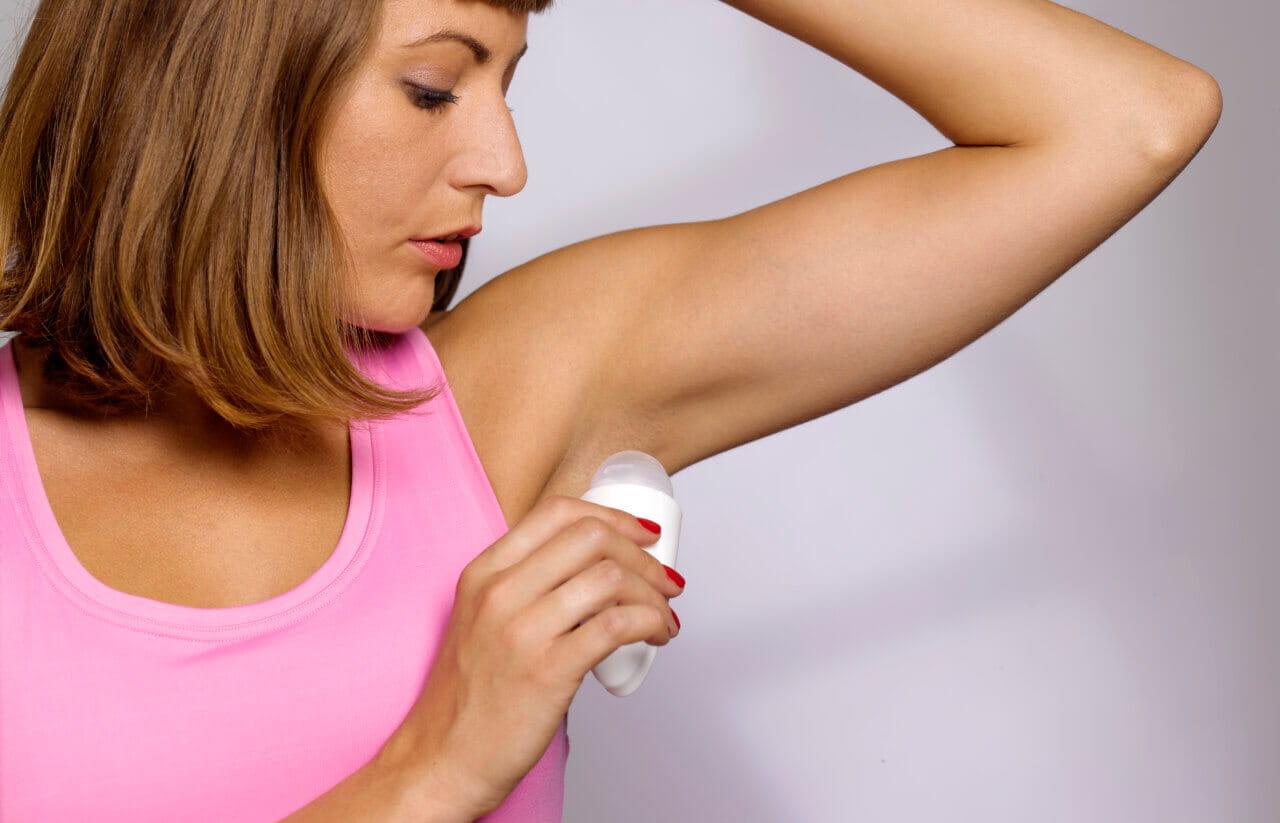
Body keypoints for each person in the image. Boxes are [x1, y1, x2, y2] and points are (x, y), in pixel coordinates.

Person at [0, 0, 1220, 820]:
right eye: (434, 89)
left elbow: (1125, 120)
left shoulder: (502, 399)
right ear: (216, 85)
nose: (504, 162)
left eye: (506, 84)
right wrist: (435, 767)